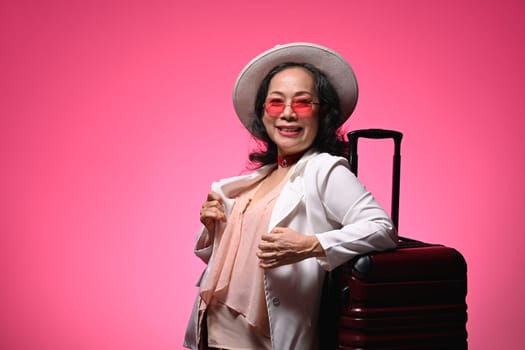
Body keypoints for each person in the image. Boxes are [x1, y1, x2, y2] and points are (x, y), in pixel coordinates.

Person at [183, 42, 398, 350]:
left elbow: (382, 229)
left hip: (263, 339)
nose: (287, 113)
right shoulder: (255, 181)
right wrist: (212, 225)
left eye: (302, 102)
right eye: (275, 102)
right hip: (211, 327)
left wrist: (312, 245)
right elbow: (229, 261)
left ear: (322, 112)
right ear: (262, 112)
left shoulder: (325, 170)